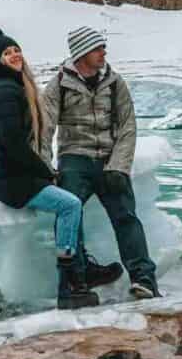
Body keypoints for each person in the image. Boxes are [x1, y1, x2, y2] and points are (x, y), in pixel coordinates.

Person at [0, 27, 99, 310]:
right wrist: (44, 172)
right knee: (70, 205)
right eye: (7, 53)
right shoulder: (4, 90)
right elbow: (14, 144)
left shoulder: (11, 84)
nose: (14, 55)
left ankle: (82, 271)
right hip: (6, 177)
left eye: (16, 49)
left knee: (68, 198)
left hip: (13, 172)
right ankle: (70, 284)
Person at [42, 26, 160, 299]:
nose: (104, 52)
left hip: (109, 160)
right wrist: (46, 167)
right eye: (98, 48)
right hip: (74, 159)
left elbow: (127, 126)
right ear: (82, 52)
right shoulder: (59, 84)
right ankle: (78, 279)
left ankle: (144, 280)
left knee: (126, 217)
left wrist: (119, 166)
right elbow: (45, 129)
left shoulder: (115, 82)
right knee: (68, 214)